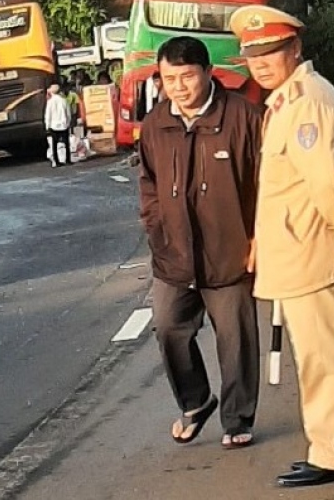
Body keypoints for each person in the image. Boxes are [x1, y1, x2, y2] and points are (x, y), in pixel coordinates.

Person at [228, 5, 334, 488]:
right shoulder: (291, 98)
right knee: (321, 351)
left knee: (322, 357)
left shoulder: (306, 103)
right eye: (253, 55)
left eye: (271, 51)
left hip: (311, 250)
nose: (262, 63)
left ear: (295, 49)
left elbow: (328, 185)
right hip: (299, 250)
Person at [137, 36, 264, 450]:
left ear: (208, 73)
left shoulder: (244, 118)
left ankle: (237, 419)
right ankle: (195, 402)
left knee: (236, 340)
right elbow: (150, 184)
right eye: (168, 78)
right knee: (169, 327)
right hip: (174, 255)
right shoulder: (156, 123)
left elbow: (267, 185)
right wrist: (156, 228)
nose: (178, 86)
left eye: (186, 76)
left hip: (230, 252)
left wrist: (259, 237)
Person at [44, 83, 72, 167]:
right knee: (67, 143)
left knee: (54, 144)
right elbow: (68, 113)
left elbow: (48, 115)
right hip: (64, 125)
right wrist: (68, 122)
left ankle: (56, 161)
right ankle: (67, 159)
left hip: (54, 125)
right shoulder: (63, 100)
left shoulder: (50, 102)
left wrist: (47, 125)